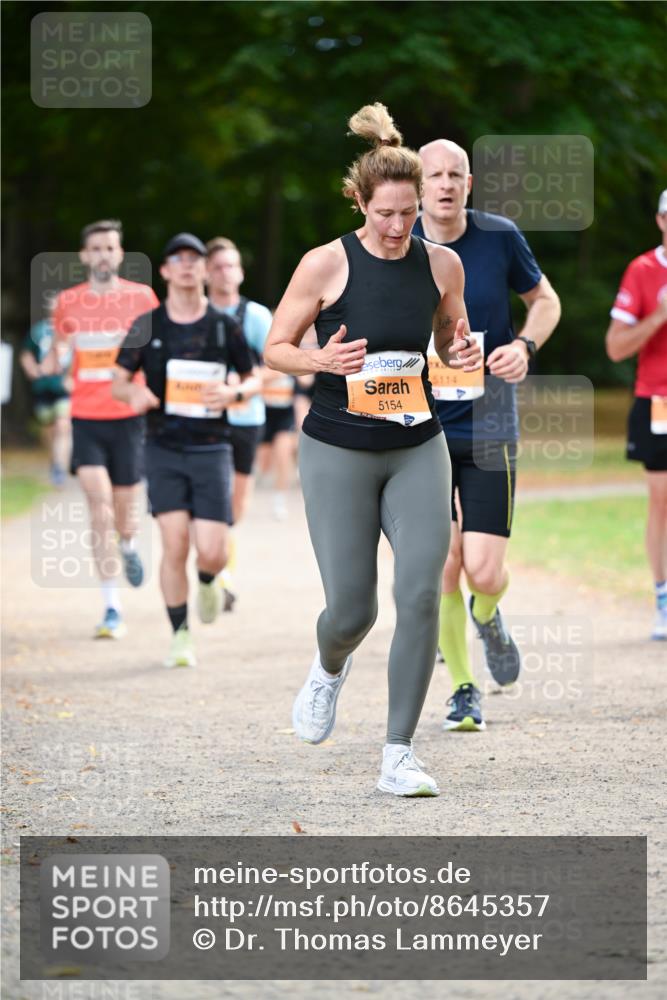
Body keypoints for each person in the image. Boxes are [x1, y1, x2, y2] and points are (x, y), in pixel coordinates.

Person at [264, 104, 481, 796]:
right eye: (384, 213)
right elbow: (274, 348)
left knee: (419, 593)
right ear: (359, 201)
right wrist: (319, 362)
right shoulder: (325, 263)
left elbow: (450, 337)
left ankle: (398, 753)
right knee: (353, 610)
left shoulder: (442, 264)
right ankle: (328, 667)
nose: (396, 227)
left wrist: (461, 348)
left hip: (417, 443)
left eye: (408, 214)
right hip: (336, 449)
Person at [414, 139, 560, 731]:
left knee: (483, 569)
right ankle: (463, 688)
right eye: (434, 176)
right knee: (443, 565)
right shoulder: (399, 244)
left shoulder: (498, 236)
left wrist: (523, 347)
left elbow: (545, 301)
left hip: (489, 419)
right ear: (418, 184)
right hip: (420, 426)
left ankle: (489, 613)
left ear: (468, 184)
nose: (445, 185)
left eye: (455, 175)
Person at [113, 233, 257, 668]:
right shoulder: (147, 325)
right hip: (162, 447)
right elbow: (118, 381)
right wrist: (134, 396)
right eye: (179, 259)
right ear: (166, 271)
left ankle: (210, 579)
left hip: (212, 447)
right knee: (174, 543)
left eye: (196, 259)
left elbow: (253, 378)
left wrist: (234, 393)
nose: (189, 266)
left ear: (204, 270)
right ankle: (179, 633)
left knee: (212, 548)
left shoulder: (222, 324)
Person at [51, 220, 158, 638]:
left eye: (109, 248)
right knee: (100, 509)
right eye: (94, 248)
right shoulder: (67, 301)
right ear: (84, 256)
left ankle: (129, 545)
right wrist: (56, 361)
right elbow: (60, 351)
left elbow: (153, 354)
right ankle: (111, 606)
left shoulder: (142, 298)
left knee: (124, 515)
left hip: (128, 419)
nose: (102, 255)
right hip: (86, 418)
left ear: (119, 253)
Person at [606, 189, 667, 641]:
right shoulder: (643, 271)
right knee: (662, 500)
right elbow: (615, 347)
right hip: (658, 400)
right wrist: (659, 317)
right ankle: (663, 599)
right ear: (661, 220)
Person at [206, 237, 271, 607]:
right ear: (205, 274)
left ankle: (220, 561)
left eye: (231, 265)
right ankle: (221, 574)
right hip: (202, 417)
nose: (225, 273)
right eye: (217, 267)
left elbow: (279, 367)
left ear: (241, 273)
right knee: (211, 493)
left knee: (236, 501)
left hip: (246, 416)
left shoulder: (257, 316)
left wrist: (241, 387)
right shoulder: (194, 314)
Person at [20, 293, 72, 486]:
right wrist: (33, 370)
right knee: (48, 429)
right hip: (43, 387)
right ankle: (55, 459)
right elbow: (26, 354)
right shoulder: (39, 330)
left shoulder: (71, 330)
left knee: (63, 425)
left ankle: (60, 467)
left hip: (63, 388)